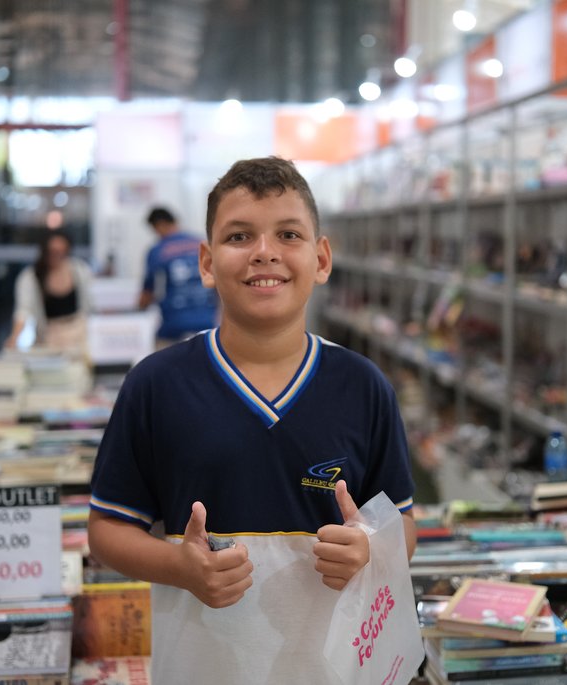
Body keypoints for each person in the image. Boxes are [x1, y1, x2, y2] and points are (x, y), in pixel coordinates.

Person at [88, 157, 417, 684]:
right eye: (240, 236)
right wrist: (179, 567)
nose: (265, 252)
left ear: (322, 257)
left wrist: (371, 550)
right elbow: (106, 529)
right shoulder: (155, 385)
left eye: (288, 234)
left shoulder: (363, 386)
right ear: (207, 262)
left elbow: (402, 522)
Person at [139, 206, 219, 346]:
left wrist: (139, 307)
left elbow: (148, 292)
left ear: (158, 225)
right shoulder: (203, 244)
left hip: (174, 324)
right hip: (208, 321)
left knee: (160, 362)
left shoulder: (157, 250)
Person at [5, 230, 93, 353]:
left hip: (78, 334)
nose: (57, 256)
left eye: (61, 252)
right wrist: (14, 337)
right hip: (49, 337)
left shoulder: (80, 270)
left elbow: (92, 300)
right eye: (53, 252)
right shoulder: (30, 277)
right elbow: (23, 311)